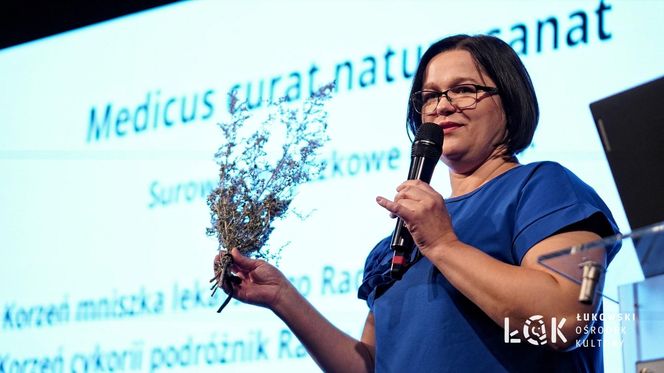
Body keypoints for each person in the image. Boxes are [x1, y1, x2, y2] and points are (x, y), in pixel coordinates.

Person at [216, 34, 619, 372]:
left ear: (510, 101)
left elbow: (563, 322)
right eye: (429, 96)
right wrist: (282, 297)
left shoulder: (543, 187)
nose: (442, 105)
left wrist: (444, 245)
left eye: (465, 90)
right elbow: (374, 365)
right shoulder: (398, 240)